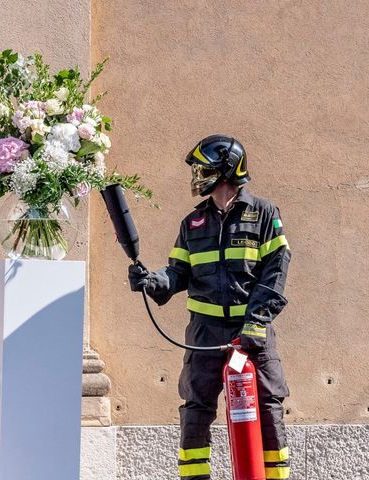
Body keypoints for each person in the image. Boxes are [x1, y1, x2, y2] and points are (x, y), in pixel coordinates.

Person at [128, 134, 291, 480]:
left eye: (203, 168)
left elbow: (275, 273)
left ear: (226, 169)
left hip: (251, 333)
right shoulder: (192, 223)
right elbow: (178, 273)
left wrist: (255, 324)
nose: (197, 175)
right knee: (196, 410)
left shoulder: (264, 214)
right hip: (203, 335)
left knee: (267, 408)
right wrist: (152, 281)